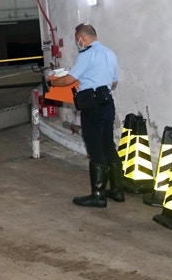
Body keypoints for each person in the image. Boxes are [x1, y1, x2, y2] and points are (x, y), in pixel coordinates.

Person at [48, 24, 124, 207]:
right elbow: (113, 83)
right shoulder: (110, 53)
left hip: (92, 105)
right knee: (108, 145)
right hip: (107, 103)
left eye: (77, 40)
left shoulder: (87, 55)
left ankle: (98, 195)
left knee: (95, 147)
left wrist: (52, 81)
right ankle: (116, 190)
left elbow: (69, 79)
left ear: (82, 38)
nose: (78, 44)